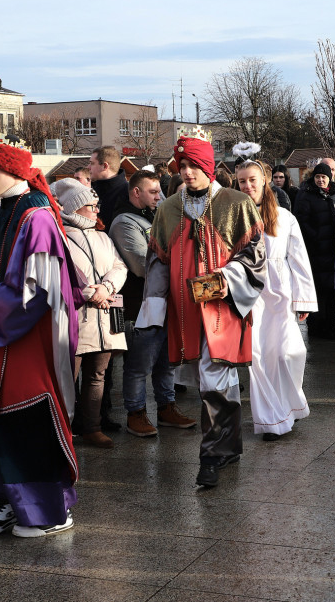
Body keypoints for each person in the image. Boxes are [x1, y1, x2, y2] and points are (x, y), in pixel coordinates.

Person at [0, 140, 81, 539]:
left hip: (27, 341)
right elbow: (4, 271)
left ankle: (51, 511)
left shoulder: (36, 215)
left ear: (14, 171)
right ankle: (10, 503)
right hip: (1, 338)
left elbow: (38, 292)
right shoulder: (10, 209)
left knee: (25, 420)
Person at [139, 131, 265, 488]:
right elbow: (158, 263)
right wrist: (154, 308)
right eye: (183, 166)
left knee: (216, 376)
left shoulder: (236, 202)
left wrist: (226, 278)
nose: (188, 172)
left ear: (208, 167)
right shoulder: (166, 209)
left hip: (223, 307)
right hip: (185, 311)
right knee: (204, 378)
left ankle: (209, 457)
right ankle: (227, 447)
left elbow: (255, 256)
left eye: (194, 165)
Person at [108, 170, 195, 437]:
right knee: (138, 364)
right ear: (136, 192)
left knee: (166, 361)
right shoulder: (124, 222)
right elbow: (141, 264)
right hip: (139, 306)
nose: (160, 196)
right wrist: (182, 267)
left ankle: (167, 408)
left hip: (165, 300)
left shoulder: (158, 216)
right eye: (153, 192)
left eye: (159, 191)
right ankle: (135, 413)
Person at [236, 160, 316, 440]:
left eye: (252, 180)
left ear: (265, 180)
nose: (247, 186)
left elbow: (298, 258)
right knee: (259, 356)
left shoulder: (283, 216)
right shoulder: (233, 216)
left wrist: (304, 299)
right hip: (250, 293)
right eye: (242, 181)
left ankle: (289, 405)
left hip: (280, 292)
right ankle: (270, 419)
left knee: (288, 353)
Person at [51, 178, 127, 449]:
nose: (97, 211)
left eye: (97, 205)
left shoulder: (103, 237)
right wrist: (88, 294)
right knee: (66, 377)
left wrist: (106, 288)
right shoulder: (58, 237)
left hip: (104, 315)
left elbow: (120, 267)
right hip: (76, 318)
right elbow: (60, 276)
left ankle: (91, 427)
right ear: (75, 208)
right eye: (91, 206)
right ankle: (63, 428)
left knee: (98, 375)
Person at [87, 145, 128, 431]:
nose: (89, 168)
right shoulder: (110, 188)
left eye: (91, 164)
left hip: (112, 280)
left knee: (107, 352)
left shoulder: (118, 193)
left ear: (104, 166)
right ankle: (98, 413)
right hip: (106, 280)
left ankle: (101, 413)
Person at [293, 162, 335, 339]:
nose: (321, 180)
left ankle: (332, 325)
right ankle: (316, 327)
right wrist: (315, 236)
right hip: (314, 250)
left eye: (324, 177)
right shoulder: (305, 194)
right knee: (318, 290)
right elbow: (301, 220)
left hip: (333, 250)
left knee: (332, 290)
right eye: (318, 177)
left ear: (329, 178)